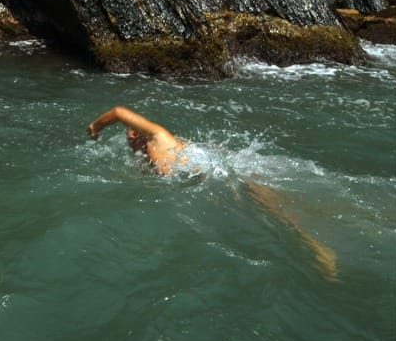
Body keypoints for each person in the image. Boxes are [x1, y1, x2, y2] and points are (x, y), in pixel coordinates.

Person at [86, 105, 338, 280]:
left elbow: (118, 111)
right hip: (213, 179)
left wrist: (95, 126)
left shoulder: (158, 136)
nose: (131, 138)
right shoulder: (145, 159)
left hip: (230, 174)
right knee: (257, 218)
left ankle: (318, 247)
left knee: (274, 212)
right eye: (128, 137)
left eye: (134, 131)